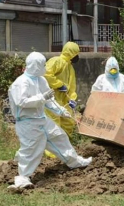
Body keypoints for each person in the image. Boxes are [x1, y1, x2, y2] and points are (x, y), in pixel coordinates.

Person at [7, 52, 92, 190]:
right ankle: (22, 178)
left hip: (41, 118)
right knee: (31, 149)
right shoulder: (21, 83)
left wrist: (60, 111)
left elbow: (49, 100)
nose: (44, 67)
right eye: (42, 64)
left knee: (59, 136)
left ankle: (74, 161)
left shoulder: (41, 80)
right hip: (27, 122)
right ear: (35, 65)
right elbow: (22, 102)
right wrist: (42, 97)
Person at [44, 41, 80, 138]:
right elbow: (46, 74)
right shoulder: (56, 61)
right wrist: (58, 84)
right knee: (54, 125)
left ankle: (64, 145)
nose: (77, 56)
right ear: (71, 53)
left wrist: (72, 99)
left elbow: (72, 86)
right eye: (76, 53)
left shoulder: (70, 68)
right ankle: (51, 152)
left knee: (69, 122)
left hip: (64, 100)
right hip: (52, 98)